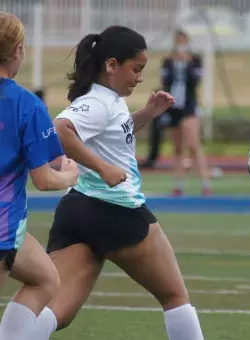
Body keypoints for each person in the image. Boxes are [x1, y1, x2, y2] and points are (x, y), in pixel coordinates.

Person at [29, 25, 205, 340]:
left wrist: (148, 113)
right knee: (175, 297)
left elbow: (114, 133)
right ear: (111, 65)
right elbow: (60, 131)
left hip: (77, 212)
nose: (139, 77)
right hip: (117, 211)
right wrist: (103, 168)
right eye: (136, 69)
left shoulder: (109, 100)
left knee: (56, 310)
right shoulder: (99, 101)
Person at [0, 12, 79, 340]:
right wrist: (71, 177)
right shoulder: (25, 105)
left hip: (10, 232)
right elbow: (44, 180)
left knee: (46, 278)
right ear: (17, 51)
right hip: (2, 228)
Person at [162, 29, 211, 196]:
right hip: (173, 107)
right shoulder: (168, 61)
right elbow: (165, 82)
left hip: (189, 107)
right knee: (177, 147)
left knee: (193, 144)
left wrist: (186, 65)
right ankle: (178, 184)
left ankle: (204, 183)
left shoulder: (195, 60)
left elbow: (196, 81)